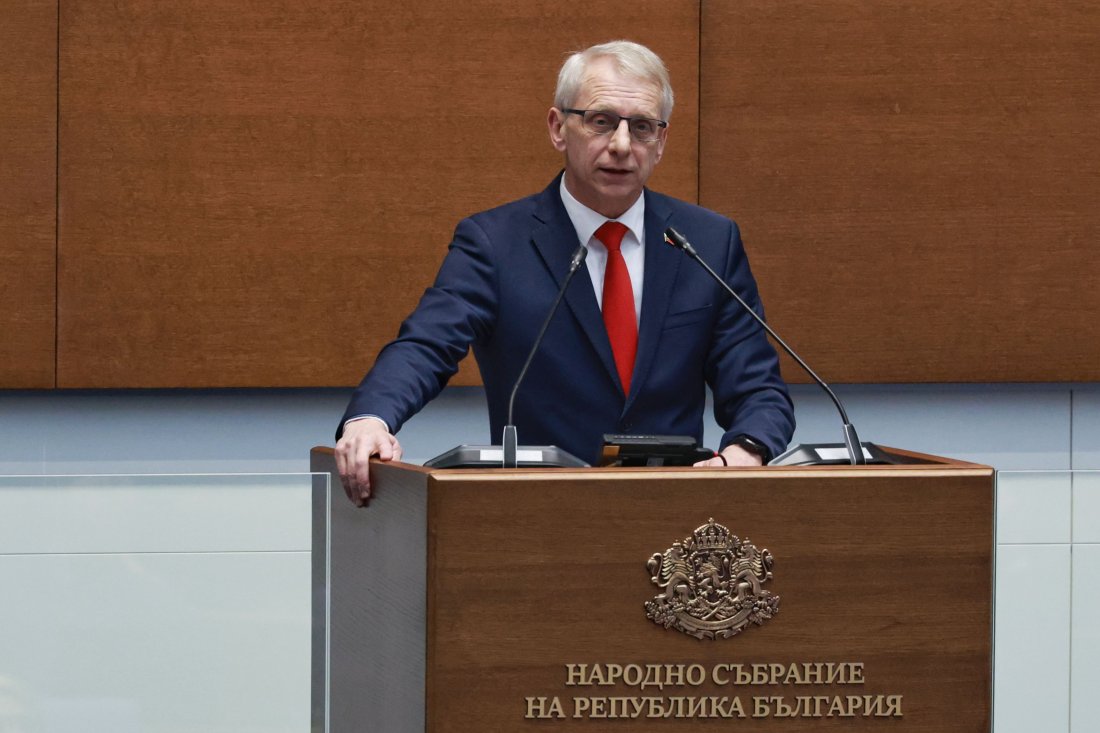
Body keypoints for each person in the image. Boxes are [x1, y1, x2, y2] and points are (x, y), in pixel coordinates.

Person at [336, 40, 794, 505]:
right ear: (558, 128)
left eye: (641, 127)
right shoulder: (495, 243)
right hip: (540, 511)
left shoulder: (708, 241)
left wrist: (747, 449)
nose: (621, 145)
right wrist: (371, 418)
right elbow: (426, 345)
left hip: (676, 514)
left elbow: (757, 386)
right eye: (601, 121)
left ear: (661, 143)